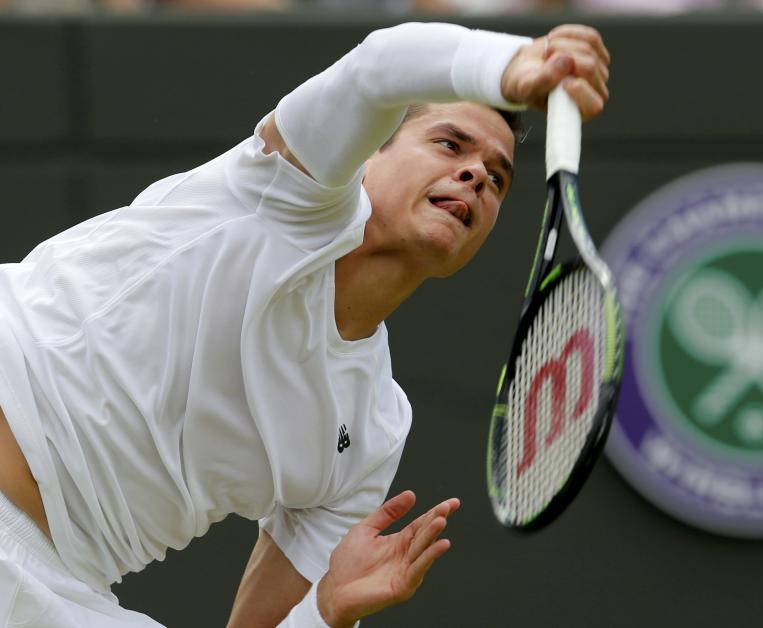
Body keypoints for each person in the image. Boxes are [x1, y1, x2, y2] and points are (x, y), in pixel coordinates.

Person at [0, 20, 610, 627]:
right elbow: (378, 67)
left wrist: (325, 611)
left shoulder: (374, 431)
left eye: (497, 177)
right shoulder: (288, 193)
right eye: (450, 145)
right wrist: (516, 62)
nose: (476, 175)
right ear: (368, 151)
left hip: (54, 584)